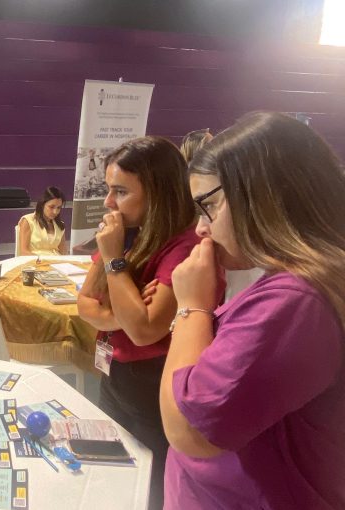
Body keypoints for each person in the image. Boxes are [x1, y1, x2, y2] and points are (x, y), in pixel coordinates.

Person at [161, 112, 345, 509]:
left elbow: (190, 431)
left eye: (207, 206)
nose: (200, 229)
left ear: (260, 194)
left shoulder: (295, 299)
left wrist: (192, 306)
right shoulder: (296, 286)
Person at [77, 136, 223, 510]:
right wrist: (120, 314)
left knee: (151, 482)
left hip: (154, 380)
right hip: (115, 373)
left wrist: (113, 261)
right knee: (114, 466)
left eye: (120, 192)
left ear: (157, 192)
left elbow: (145, 332)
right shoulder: (125, 232)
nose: (109, 203)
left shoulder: (184, 246)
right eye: (109, 190)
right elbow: (84, 304)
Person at [17, 186, 67, 256]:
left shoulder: (60, 225)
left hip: (56, 263)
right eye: (51, 207)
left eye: (59, 208)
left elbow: (63, 253)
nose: (55, 212)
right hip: (35, 263)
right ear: (42, 204)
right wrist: (44, 261)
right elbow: (24, 252)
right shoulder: (28, 221)